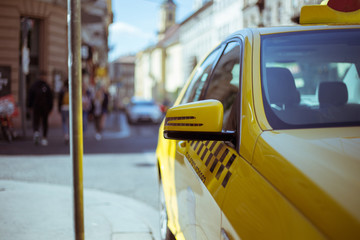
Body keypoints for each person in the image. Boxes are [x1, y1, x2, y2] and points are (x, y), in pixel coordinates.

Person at [27, 71, 53, 146]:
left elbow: (30, 97)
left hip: (37, 107)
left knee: (36, 121)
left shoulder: (34, 85)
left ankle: (36, 133)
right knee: (44, 122)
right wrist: (50, 108)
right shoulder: (46, 86)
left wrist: (29, 106)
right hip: (44, 108)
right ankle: (43, 137)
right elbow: (50, 98)